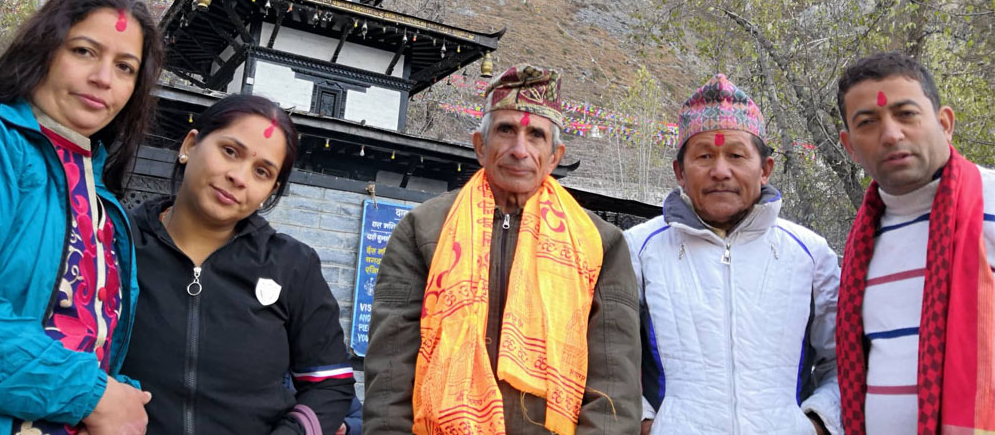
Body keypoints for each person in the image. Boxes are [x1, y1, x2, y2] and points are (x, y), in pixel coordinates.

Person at [364, 65, 641, 435]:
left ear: (555, 156)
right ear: (481, 146)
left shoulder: (600, 242)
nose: (519, 150)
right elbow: (391, 367)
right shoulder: (423, 229)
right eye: (506, 130)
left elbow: (613, 383)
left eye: (536, 135)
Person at [121, 94, 355, 435]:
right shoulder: (114, 243)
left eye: (261, 172)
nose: (239, 177)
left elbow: (330, 384)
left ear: (270, 191)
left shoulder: (293, 266)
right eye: (230, 151)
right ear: (190, 145)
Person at [625, 74, 843, 435]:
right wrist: (647, 425)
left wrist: (817, 425)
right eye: (704, 156)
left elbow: (842, 361)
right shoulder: (638, 249)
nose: (720, 171)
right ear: (680, 171)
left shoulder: (809, 253)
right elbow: (610, 360)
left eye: (737, 155)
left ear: (764, 170)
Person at [0, 0, 165, 435]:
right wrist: (92, 394)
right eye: (85, 52)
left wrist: (120, 394)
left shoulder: (103, 202)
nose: (104, 79)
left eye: (125, 67)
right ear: (45, 49)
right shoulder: (1, 147)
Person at [834, 52, 995, 435]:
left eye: (906, 114)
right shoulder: (863, 244)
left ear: (944, 123)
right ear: (850, 146)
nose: (891, 134)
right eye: (868, 122)